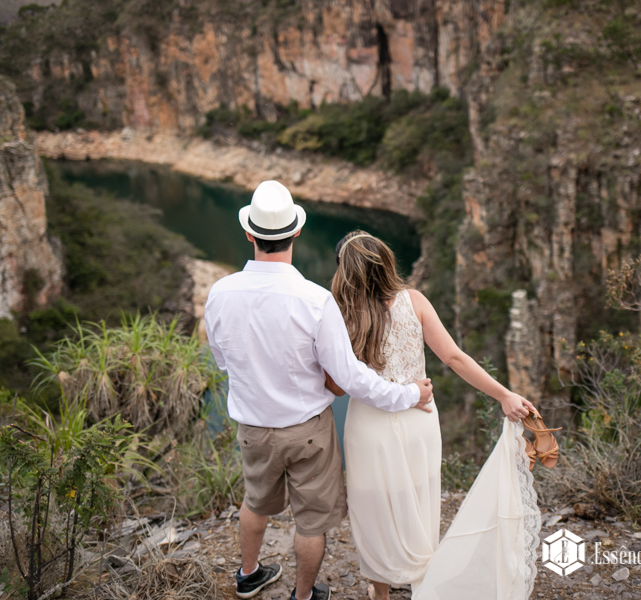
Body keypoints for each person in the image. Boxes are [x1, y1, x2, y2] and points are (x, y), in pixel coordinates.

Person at [204, 184, 434, 600]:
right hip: (308, 430)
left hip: (253, 427)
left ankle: (248, 574)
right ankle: (304, 595)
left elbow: (223, 358)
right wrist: (408, 396)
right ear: (295, 235)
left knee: (254, 503)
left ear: (250, 235)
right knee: (310, 522)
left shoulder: (219, 293)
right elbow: (349, 376)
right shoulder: (314, 300)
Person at [326, 231, 543, 599]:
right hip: (420, 421)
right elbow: (455, 358)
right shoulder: (415, 301)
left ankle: (380, 592)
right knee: (421, 501)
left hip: (370, 428)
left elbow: (336, 387)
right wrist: (504, 395)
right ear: (386, 263)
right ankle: (422, 584)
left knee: (373, 505)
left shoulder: (342, 316)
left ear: (346, 273)